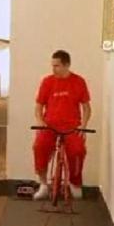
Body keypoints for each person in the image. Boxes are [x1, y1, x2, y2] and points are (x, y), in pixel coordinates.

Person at [32, 50, 91, 200]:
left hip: (72, 126)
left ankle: (75, 183)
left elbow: (86, 108)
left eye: (57, 66)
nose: (53, 69)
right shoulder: (47, 81)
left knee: (78, 150)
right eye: (52, 65)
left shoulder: (79, 81)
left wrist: (83, 126)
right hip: (50, 125)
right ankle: (44, 184)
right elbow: (38, 107)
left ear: (67, 65)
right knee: (39, 146)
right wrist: (41, 123)